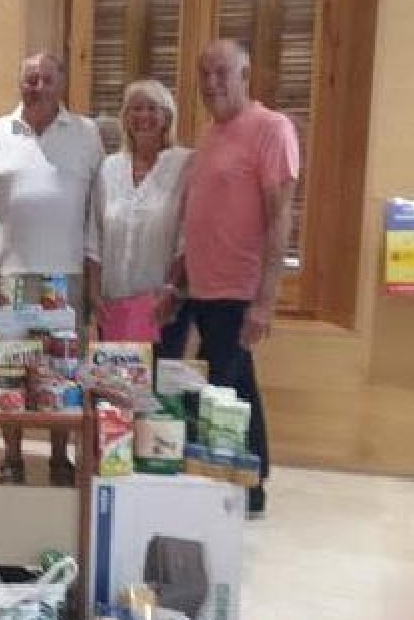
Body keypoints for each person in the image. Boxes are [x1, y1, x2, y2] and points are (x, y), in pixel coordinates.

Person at [168, 39, 300, 518]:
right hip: (203, 286)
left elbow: (281, 216)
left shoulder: (271, 129)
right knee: (232, 386)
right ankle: (246, 481)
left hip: (238, 288)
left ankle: (249, 484)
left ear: (246, 73)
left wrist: (266, 299)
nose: (211, 82)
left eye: (222, 72)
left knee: (229, 387)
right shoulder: (211, 133)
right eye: (204, 73)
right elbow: (203, 213)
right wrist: (180, 276)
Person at [0, 53, 104, 485]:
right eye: (30, 79)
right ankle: (11, 457)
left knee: (60, 374)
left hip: (64, 278)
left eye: (47, 79)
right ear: (19, 83)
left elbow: (96, 210)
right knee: (8, 371)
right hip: (8, 278)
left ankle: (59, 456)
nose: (38, 87)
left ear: (61, 83)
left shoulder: (87, 135)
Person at [85, 79, 192, 346]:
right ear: (125, 118)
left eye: (152, 108)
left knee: (158, 385)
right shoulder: (109, 167)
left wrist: (171, 290)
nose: (143, 116)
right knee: (115, 385)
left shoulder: (185, 164)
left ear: (167, 117)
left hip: (161, 308)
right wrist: (94, 293)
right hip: (114, 308)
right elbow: (94, 237)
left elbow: (188, 237)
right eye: (135, 109)